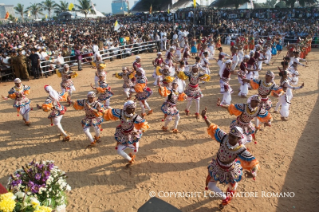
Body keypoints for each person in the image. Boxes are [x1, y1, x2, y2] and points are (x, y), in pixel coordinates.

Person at [201, 108, 259, 209]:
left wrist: (254, 172)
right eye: (230, 135)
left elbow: (253, 162)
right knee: (210, 186)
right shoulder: (224, 137)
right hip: (217, 167)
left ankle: (227, 196)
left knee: (232, 187)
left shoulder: (240, 149)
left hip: (231, 170)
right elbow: (214, 128)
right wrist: (205, 117)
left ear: (239, 139)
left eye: (233, 137)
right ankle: (225, 198)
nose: (230, 138)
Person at [103, 100, 150, 166]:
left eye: (134, 108)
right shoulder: (121, 113)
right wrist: (102, 111)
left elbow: (144, 124)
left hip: (132, 134)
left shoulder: (135, 116)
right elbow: (109, 112)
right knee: (119, 151)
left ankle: (132, 155)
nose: (133, 110)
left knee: (136, 150)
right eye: (131, 108)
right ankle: (130, 159)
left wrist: (140, 129)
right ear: (126, 108)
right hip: (122, 134)